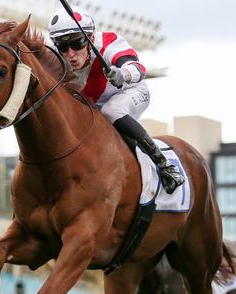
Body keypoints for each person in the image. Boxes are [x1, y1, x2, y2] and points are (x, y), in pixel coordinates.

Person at [48, 7, 184, 194]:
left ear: (90, 39)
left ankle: (164, 164)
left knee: (112, 111)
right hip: (93, 104)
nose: (70, 54)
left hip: (130, 92)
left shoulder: (109, 43)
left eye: (77, 43)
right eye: (63, 47)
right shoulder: (55, 55)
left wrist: (122, 73)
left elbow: (138, 68)